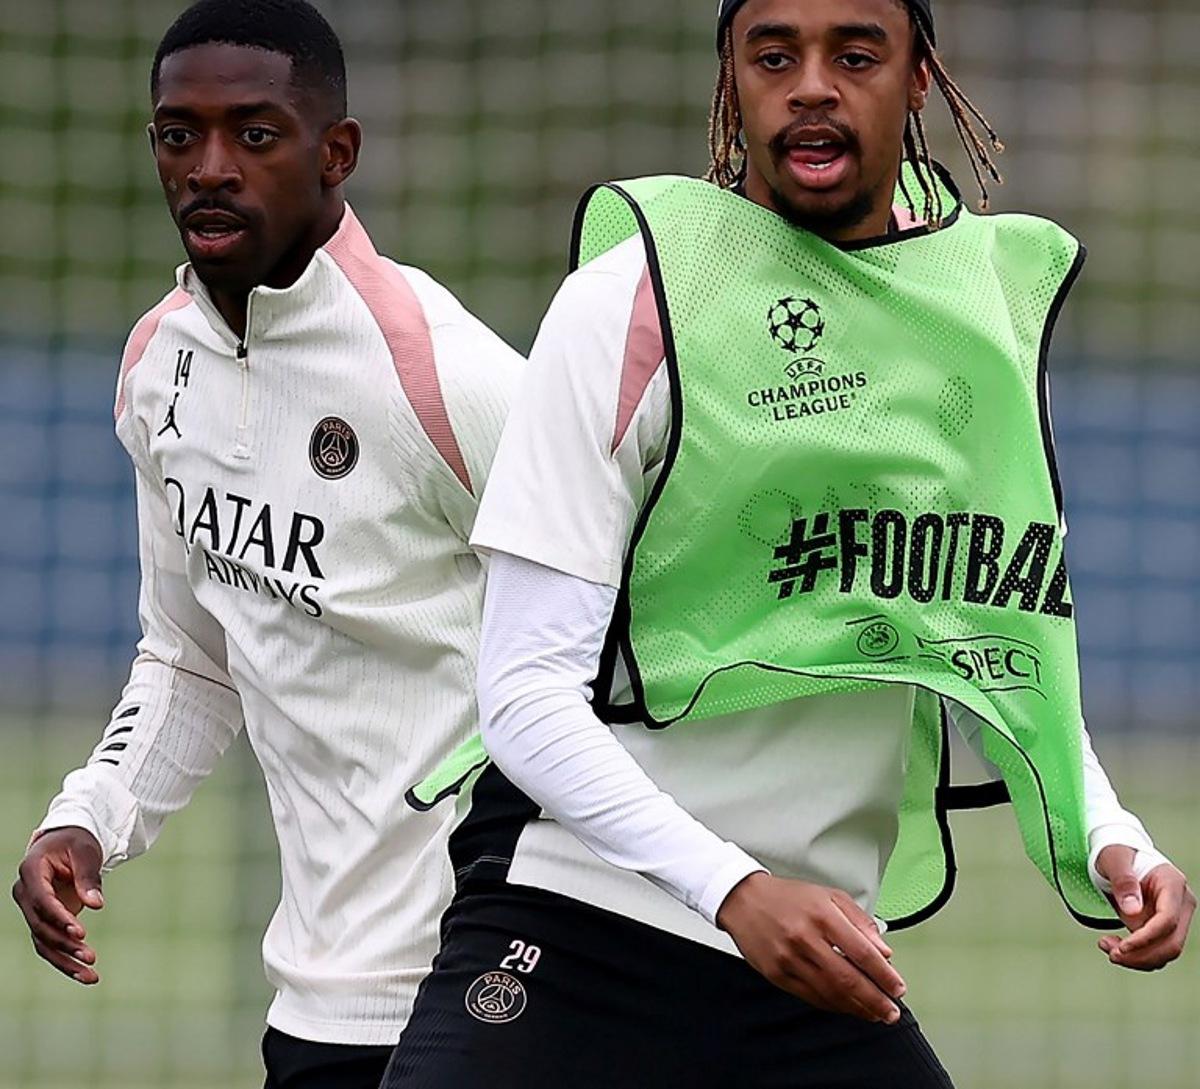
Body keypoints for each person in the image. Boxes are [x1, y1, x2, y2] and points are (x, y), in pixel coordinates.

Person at [384, 1, 1195, 1087]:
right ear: (732, 81)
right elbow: (523, 695)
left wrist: (1116, 839)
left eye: (854, 54)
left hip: (813, 962)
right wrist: (734, 890)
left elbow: (995, 648)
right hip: (582, 919)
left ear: (919, 81)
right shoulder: (630, 303)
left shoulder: (980, 328)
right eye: (775, 55)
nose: (811, 85)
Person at [10, 2, 521, 1086]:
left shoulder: (443, 373)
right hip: (321, 1002)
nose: (207, 167)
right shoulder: (158, 369)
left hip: (494, 983)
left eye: (254, 134)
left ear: (335, 154)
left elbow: (622, 630)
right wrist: (88, 820)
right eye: (176, 134)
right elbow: (192, 654)